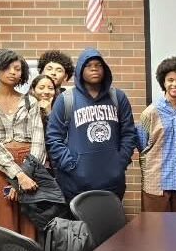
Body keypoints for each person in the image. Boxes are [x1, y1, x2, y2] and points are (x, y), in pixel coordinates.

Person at [46, 48, 138, 201]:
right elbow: (53, 138)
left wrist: (119, 162)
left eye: (98, 65)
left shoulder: (118, 97)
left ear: (105, 69)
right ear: (80, 70)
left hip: (112, 182)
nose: (94, 68)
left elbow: (129, 133)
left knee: (110, 224)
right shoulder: (66, 99)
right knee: (79, 226)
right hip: (75, 184)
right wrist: (71, 165)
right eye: (88, 65)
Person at [0, 49, 43, 241]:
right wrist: (17, 175)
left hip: (29, 163)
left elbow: (39, 140)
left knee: (30, 224)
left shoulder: (31, 102)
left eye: (18, 69)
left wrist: (27, 173)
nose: (14, 72)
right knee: (6, 227)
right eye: (8, 68)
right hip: (0, 168)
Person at [138, 57, 176, 212]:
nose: (175, 84)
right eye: (170, 80)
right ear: (163, 82)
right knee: (155, 232)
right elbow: (143, 146)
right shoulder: (150, 113)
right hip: (156, 184)